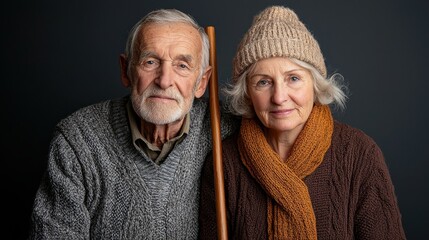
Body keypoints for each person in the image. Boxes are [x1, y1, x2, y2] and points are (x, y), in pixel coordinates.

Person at [199, 5, 406, 239]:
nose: (279, 97)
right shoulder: (223, 162)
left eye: (293, 78)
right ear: (246, 93)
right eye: (263, 82)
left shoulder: (359, 154)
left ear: (315, 84)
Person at [29, 9, 237, 239]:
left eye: (182, 66)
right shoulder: (77, 140)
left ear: (202, 83)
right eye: (150, 62)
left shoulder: (225, 130)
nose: (164, 80)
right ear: (126, 70)